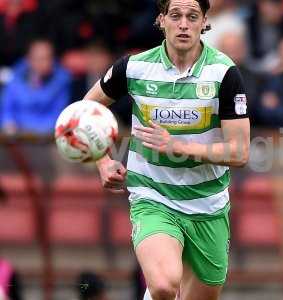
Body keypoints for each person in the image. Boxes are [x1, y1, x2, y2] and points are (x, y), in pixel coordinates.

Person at [83, 1, 250, 299]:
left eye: (192, 17)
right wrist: (102, 162)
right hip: (152, 195)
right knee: (163, 285)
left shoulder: (224, 73)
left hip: (207, 204)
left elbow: (239, 152)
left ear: (204, 23)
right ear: (161, 20)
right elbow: (85, 110)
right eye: (175, 16)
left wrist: (178, 146)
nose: (183, 24)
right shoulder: (134, 67)